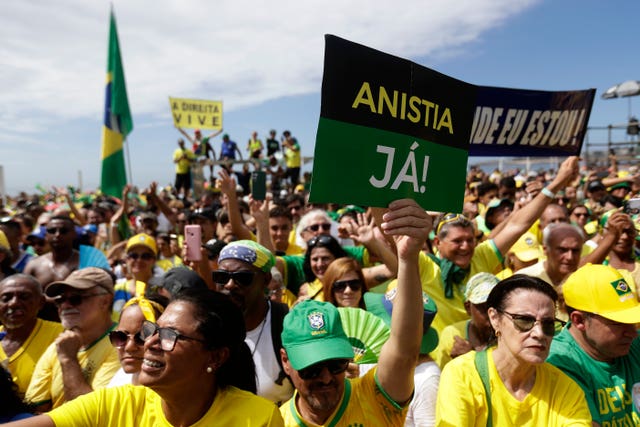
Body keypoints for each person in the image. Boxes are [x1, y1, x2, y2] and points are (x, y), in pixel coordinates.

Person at [7, 289, 284, 426]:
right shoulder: (114, 405)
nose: (148, 342)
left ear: (216, 357)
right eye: (153, 330)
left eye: (170, 335)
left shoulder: (258, 418)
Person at [279, 198, 430, 426]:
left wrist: (408, 259)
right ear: (285, 362)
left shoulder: (376, 397)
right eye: (312, 368)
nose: (327, 377)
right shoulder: (277, 421)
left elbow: (405, 349)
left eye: (336, 363)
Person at [435, 275, 591, 426]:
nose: (539, 333)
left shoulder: (565, 389)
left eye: (548, 324)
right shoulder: (463, 375)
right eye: (524, 320)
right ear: (495, 319)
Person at [547, 264, 640, 426]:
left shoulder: (633, 343)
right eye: (618, 323)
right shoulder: (560, 363)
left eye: (634, 321)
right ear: (579, 320)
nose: (632, 333)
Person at [25, 268, 120, 411]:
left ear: (105, 301)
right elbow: (36, 408)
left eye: (76, 299)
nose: (65, 305)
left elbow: (92, 414)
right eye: (60, 300)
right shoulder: (59, 346)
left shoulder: (123, 344)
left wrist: (68, 360)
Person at [213, 240, 294, 404]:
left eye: (242, 278)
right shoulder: (210, 327)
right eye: (222, 277)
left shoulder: (286, 323)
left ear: (266, 280)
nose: (229, 285)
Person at [0, 274, 63, 396]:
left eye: (24, 297)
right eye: (6, 298)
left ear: (41, 302)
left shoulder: (61, 335)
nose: (14, 303)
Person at [431, 272, 499, 369]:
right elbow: (442, 379)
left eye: (497, 307)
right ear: (468, 308)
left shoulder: (510, 338)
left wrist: (472, 360)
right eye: (484, 308)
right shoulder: (452, 335)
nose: (492, 315)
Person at [107, 292, 168, 387]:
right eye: (120, 337)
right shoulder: (119, 380)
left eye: (142, 337)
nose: (129, 347)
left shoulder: (172, 391)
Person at [24, 216, 79, 289]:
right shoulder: (33, 265)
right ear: (46, 235)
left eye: (63, 231)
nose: (57, 235)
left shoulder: (86, 263)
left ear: (74, 234)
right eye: (52, 231)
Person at [112, 233, 158, 318]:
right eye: (133, 256)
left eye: (146, 256)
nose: (139, 260)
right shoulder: (116, 290)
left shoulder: (160, 291)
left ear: (154, 260)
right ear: (126, 259)